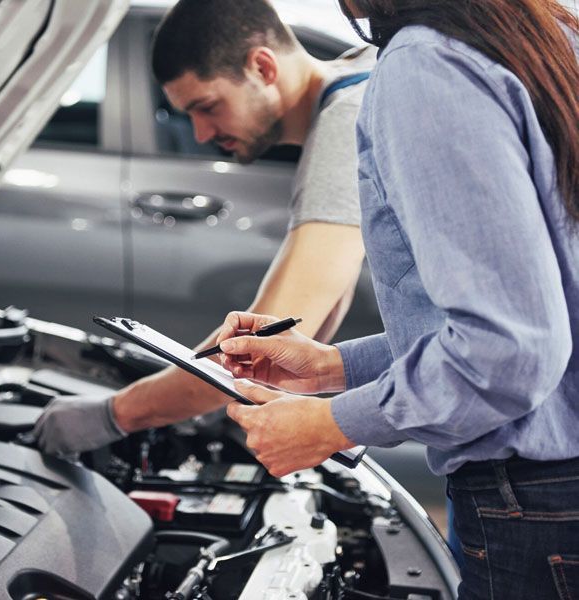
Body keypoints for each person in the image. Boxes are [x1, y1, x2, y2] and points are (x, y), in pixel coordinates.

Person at [214, 1, 579, 598]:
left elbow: (508, 349)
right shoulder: (542, 34)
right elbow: (544, 309)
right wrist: (337, 367)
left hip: (536, 508)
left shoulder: (426, 64)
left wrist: (334, 423)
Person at [34, 1, 375, 452]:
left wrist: (114, 414)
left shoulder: (345, 122)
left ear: (262, 66)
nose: (198, 134)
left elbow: (258, 342)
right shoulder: (360, 70)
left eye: (208, 106)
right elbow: (315, 315)